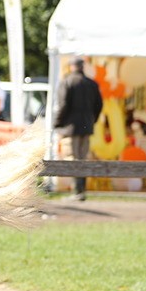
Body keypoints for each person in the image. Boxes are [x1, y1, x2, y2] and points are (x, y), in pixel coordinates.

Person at [54, 58, 103, 200]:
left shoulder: (67, 82)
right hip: (86, 127)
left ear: (71, 67)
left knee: (73, 159)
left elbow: (63, 105)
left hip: (70, 128)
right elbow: (99, 105)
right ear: (82, 67)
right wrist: (92, 120)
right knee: (83, 159)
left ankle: (76, 192)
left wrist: (57, 123)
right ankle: (82, 191)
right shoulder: (92, 84)